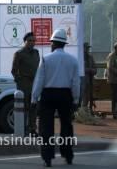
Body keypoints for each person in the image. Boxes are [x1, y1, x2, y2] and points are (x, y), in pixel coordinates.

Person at [31, 29, 80, 167]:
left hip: (48, 94)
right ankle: (68, 155)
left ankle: (47, 157)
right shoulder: (73, 60)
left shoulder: (46, 59)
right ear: (64, 43)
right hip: (65, 95)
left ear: (53, 43)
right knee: (66, 126)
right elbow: (76, 83)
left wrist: (34, 99)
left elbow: (39, 81)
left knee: (46, 127)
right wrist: (75, 100)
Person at [11, 32, 40, 135]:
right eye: (30, 41)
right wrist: (19, 80)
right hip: (24, 83)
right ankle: (22, 129)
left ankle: (32, 128)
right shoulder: (19, 53)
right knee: (23, 107)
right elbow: (14, 70)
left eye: (33, 41)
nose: (32, 43)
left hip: (34, 83)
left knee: (33, 106)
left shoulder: (36, 53)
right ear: (25, 42)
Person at [81, 42, 97, 112]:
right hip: (82, 80)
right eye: (86, 48)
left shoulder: (91, 57)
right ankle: (81, 109)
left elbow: (95, 68)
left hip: (90, 80)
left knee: (88, 96)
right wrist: (88, 70)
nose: (87, 49)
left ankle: (87, 109)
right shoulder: (80, 57)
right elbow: (80, 68)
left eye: (88, 48)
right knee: (82, 95)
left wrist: (92, 70)